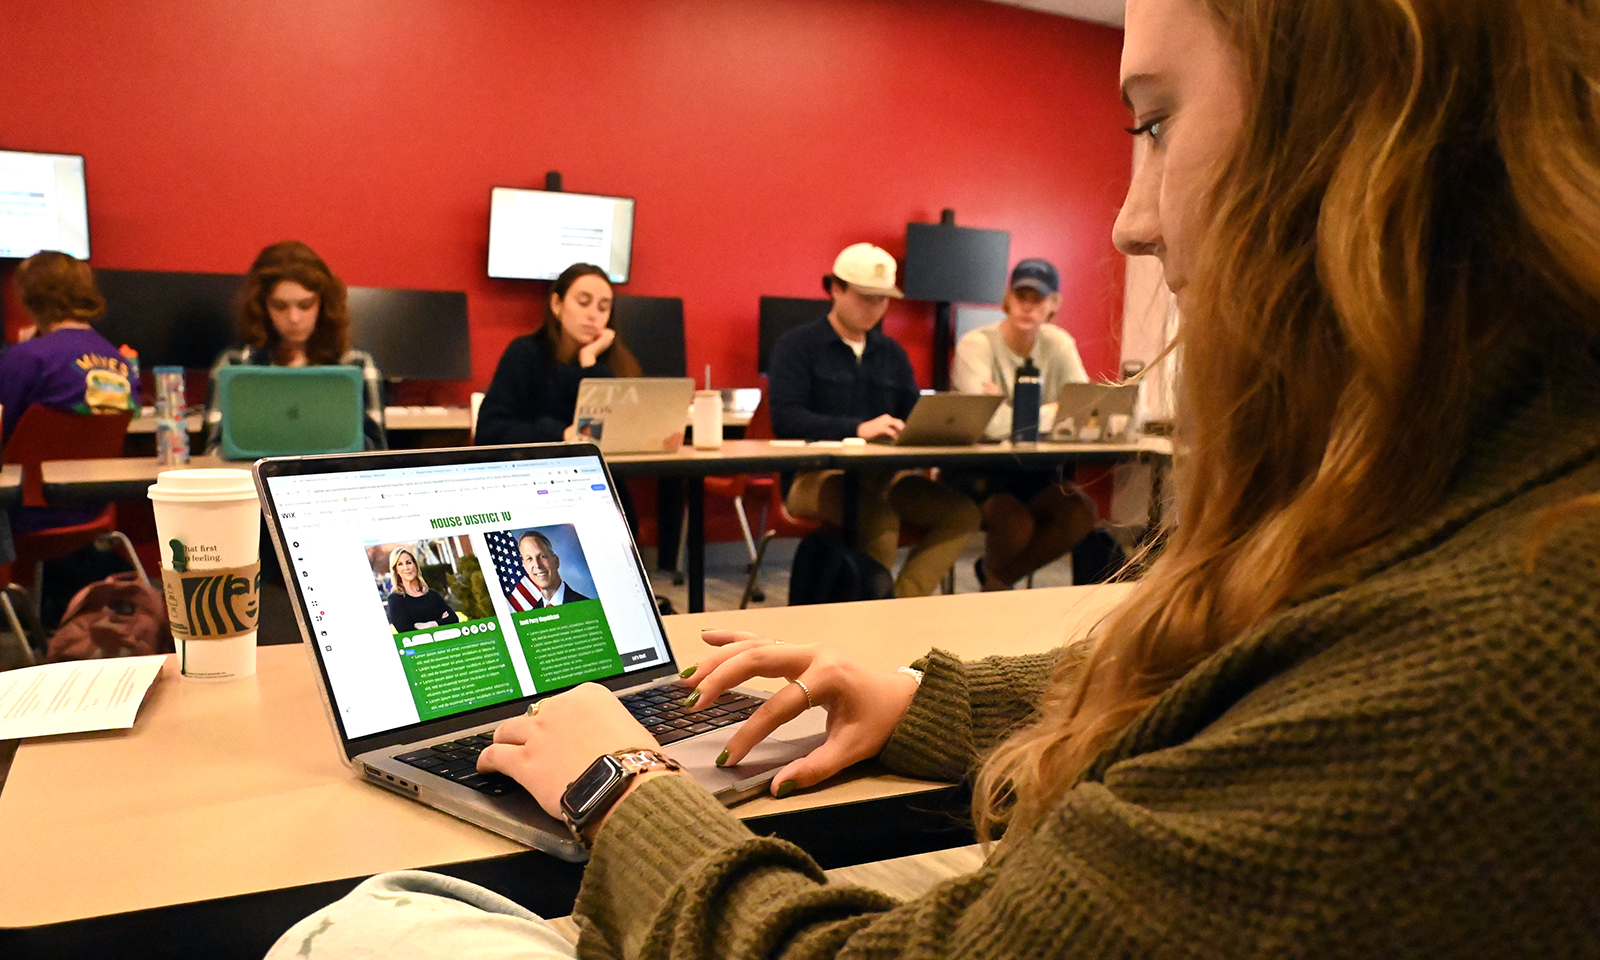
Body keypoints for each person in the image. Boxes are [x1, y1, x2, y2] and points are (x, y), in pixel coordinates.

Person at [269, 0, 1600, 956]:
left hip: (868, 505)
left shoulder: (1480, 668)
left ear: (1377, 139)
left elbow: (1287, 714)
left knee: (357, 929)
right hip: (808, 497)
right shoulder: (1492, 535)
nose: (1131, 220)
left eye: (1152, 123)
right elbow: (1261, 689)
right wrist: (925, 697)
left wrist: (627, 792)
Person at [766, 242, 981, 598]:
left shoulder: (892, 354)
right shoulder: (797, 346)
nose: (875, 309)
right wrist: (857, 429)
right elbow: (786, 419)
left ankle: (899, 604)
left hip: (881, 475)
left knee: (961, 513)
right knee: (879, 522)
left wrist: (945, 426)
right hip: (813, 479)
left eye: (882, 300)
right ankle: (871, 616)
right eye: (866, 297)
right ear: (836, 289)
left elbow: (912, 413)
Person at [950, 258, 1100, 590]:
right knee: (1014, 523)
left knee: (1081, 512)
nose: (1028, 307)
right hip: (977, 470)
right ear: (1007, 299)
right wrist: (1051, 409)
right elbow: (988, 424)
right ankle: (996, 591)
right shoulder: (975, 344)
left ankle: (997, 582)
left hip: (1035, 471)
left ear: (1053, 305)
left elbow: (1082, 411)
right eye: (1021, 297)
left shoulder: (1059, 344)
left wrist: (1009, 407)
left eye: (1038, 299)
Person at [0, 251, 140, 536]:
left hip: (20, 515)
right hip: (90, 512)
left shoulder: (27, 358)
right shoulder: (123, 364)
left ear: (30, 298)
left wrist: (22, 350)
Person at [204, 241, 387, 452]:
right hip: (254, 480)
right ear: (262, 307)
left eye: (305, 305)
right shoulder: (235, 363)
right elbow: (213, 453)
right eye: (280, 306)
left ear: (324, 304)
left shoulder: (355, 364)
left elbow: (377, 453)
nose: (294, 318)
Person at [475, 263, 643, 445]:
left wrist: (588, 360)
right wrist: (559, 435)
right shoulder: (525, 353)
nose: (593, 315)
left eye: (603, 308)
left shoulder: (616, 363)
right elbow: (490, 431)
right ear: (557, 304)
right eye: (583, 303)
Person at [383, 547, 460, 634]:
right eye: (400, 564)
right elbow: (405, 630)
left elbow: (453, 619)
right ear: (396, 570)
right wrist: (441, 622)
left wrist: (430, 625)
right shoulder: (395, 599)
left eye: (408, 563)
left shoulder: (432, 594)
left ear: (415, 565)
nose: (406, 568)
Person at [513, 531, 589, 607]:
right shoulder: (532, 614)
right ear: (525, 567)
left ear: (556, 561)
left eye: (542, 557)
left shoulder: (586, 605)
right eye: (529, 558)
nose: (537, 565)